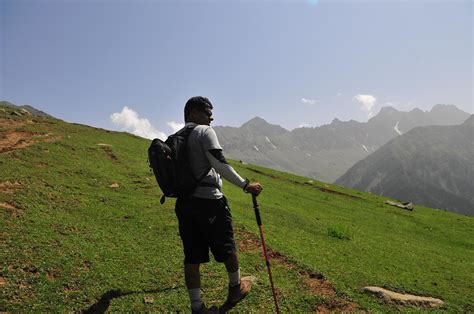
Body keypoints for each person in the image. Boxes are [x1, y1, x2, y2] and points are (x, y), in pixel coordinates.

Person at [175, 96, 263, 313]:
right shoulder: (203, 132)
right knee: (228, 248)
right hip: (209, 202)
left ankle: (197, 307)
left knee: (192, 257)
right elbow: (219, 162)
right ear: (193, 113)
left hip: (185, 204)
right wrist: (245, 185)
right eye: (207, 111)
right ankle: (235, 288)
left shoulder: (176, 137)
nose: (211, 116)